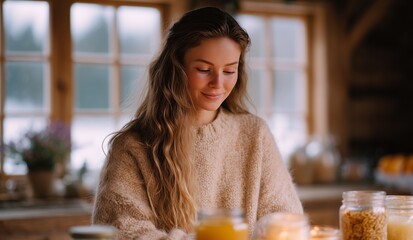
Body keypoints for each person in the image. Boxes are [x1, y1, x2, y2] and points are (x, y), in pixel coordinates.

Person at [92, 6, 303, 239]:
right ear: (176, 67)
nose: (218, 83)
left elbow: (286, 220)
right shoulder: (133, 146)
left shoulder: (255, 134)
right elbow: (124, 231)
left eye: (229, 71)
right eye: (204, 69)